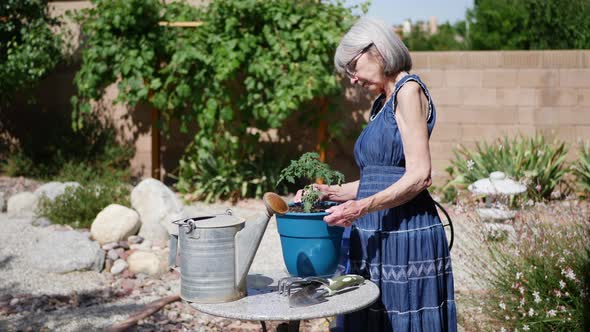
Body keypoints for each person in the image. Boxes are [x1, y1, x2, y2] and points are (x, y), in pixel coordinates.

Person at [294, 17, 456, 331]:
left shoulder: (409, 91)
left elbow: (420, 174)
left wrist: (361, 207)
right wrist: (330, 193)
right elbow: (378, 179)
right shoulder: (383, 102)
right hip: (378, 231)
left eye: (354, 67)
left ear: (378, 51)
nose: (353, 79)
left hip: (405, 233)